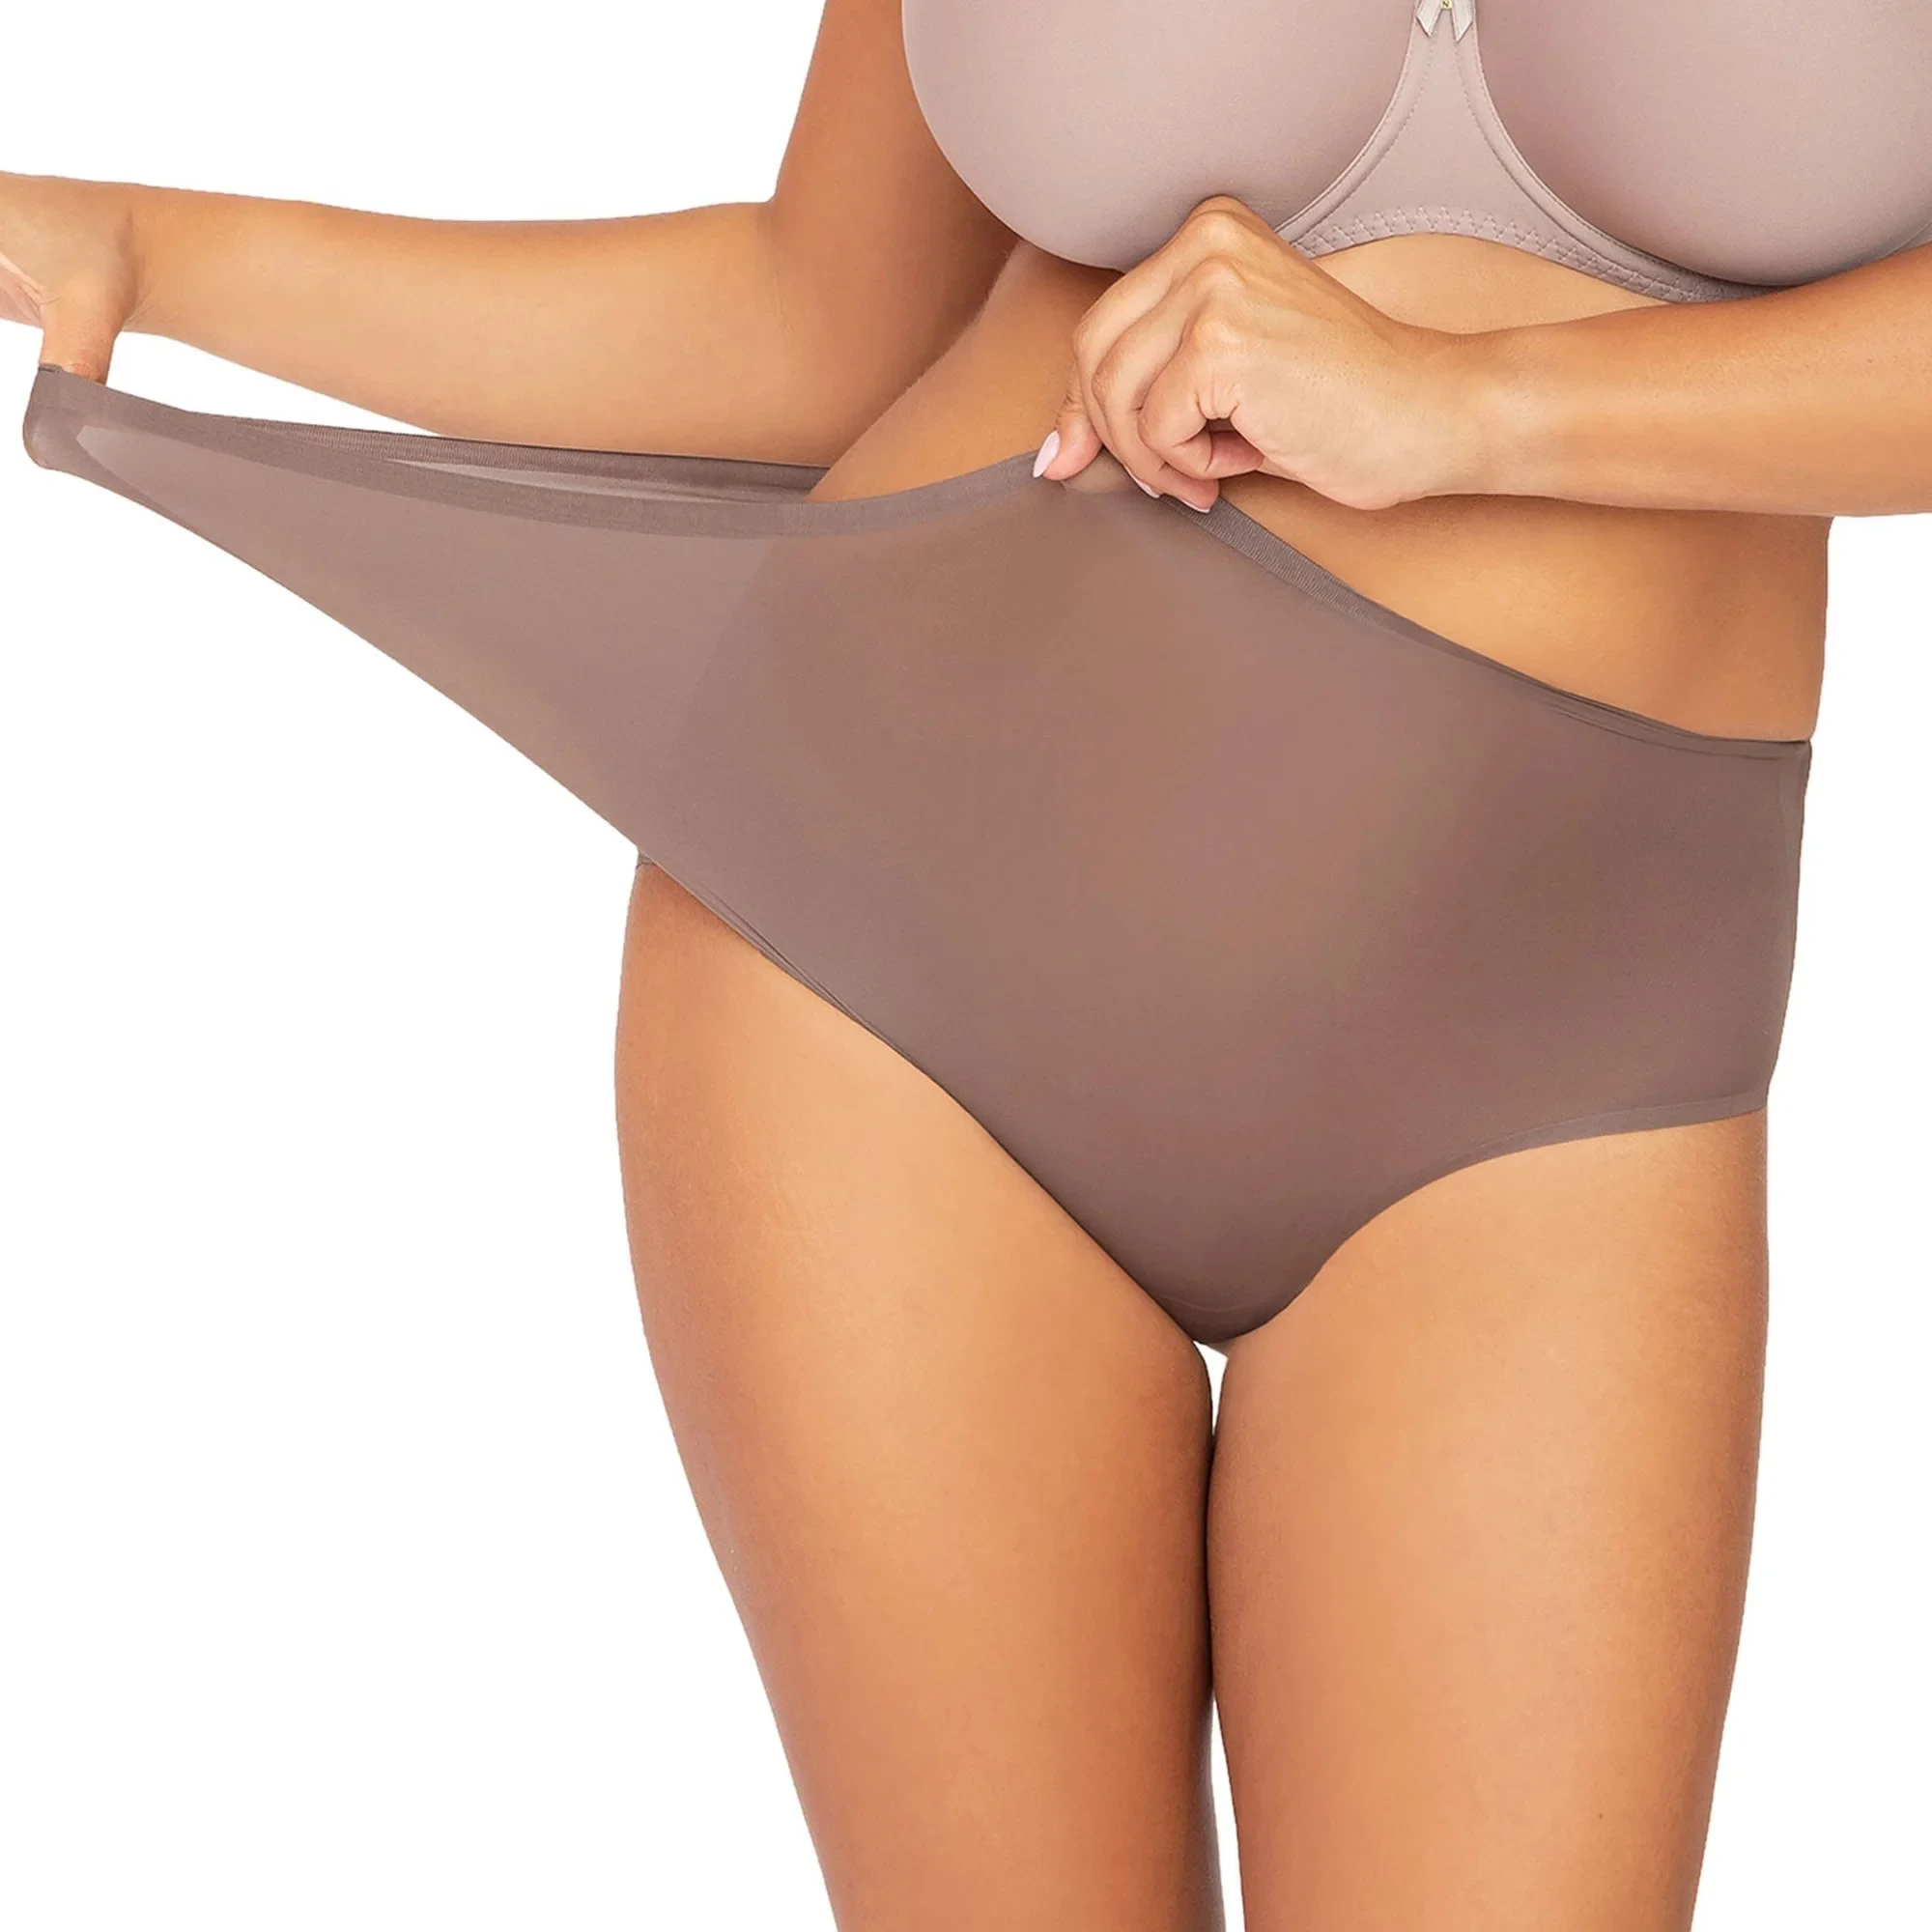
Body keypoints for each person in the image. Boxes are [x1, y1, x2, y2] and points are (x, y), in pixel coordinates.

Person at [5, 2, 1929, 1926]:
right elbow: (818, 323)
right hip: (890, 958)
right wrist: (150, 254)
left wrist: (1472, 405)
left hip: (1546, 1055)